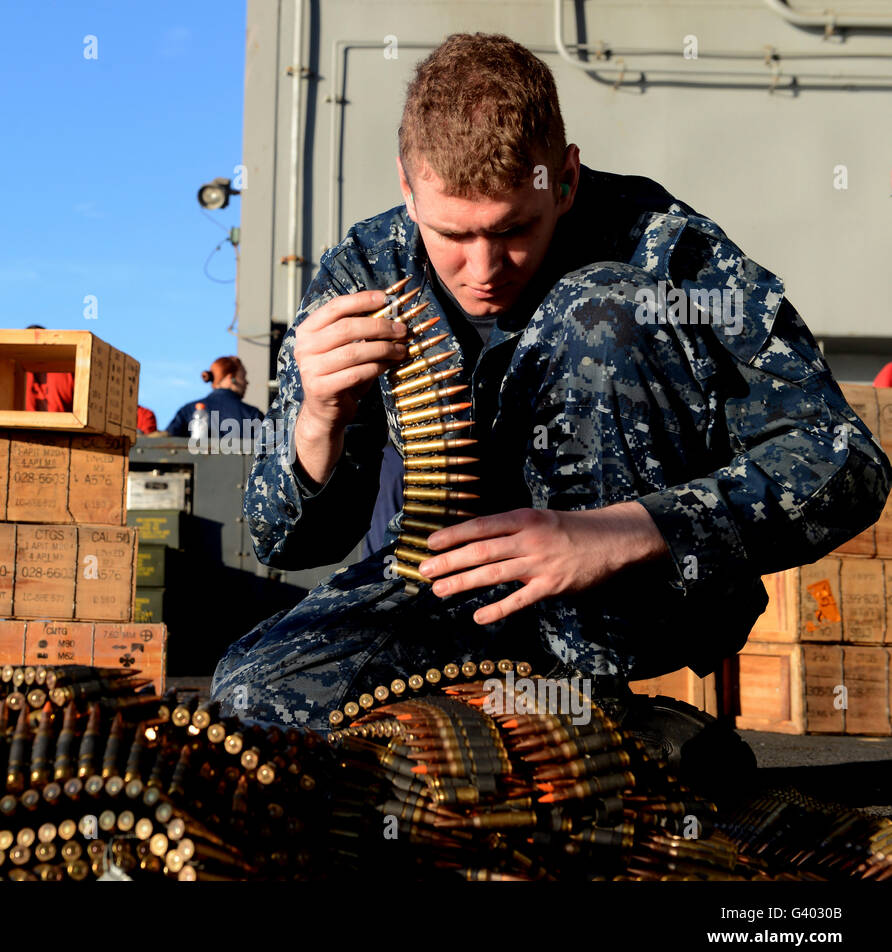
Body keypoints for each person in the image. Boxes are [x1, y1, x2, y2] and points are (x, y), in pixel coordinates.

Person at [210, 34, 890, 775]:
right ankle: (584, 737)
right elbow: (286, 541)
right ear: (407, 187)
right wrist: (318, 421)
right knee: (249, 701)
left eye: (513, 230)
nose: (483, 270)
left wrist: (626, 530)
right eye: (452, 235)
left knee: (603, 311)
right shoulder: (368, 270)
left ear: (564, 179)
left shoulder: (662, 248)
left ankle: (593, 702)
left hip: (631, 602)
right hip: (456, 595)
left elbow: (843, 459)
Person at [165, 356, 265, 439]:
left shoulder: (188, 411)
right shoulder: (252, 414)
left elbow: (168, 442)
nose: (246, 382)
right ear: (231, 378)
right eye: (243, 377)